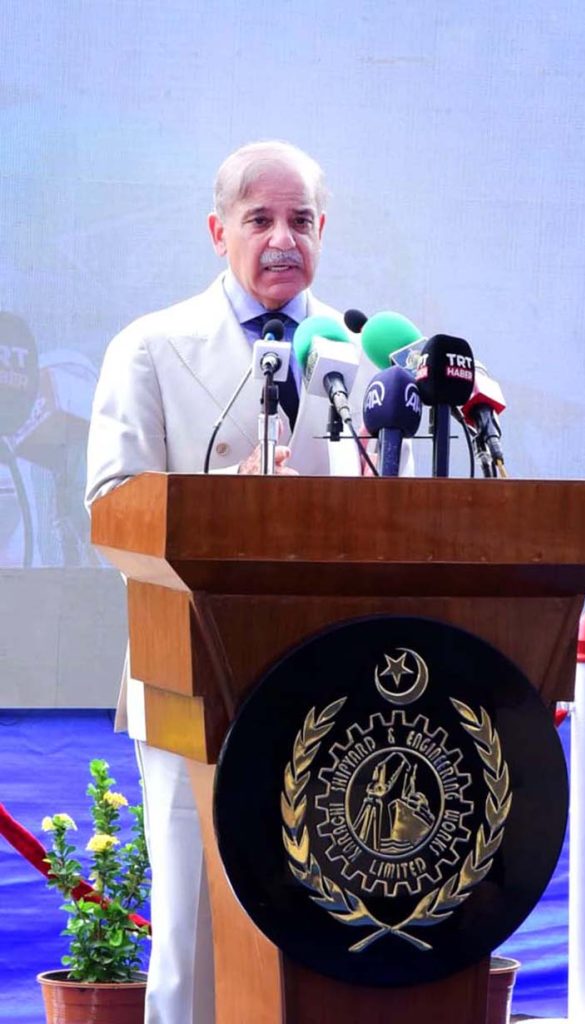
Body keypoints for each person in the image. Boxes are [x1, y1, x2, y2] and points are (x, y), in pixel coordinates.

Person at [85, 140, 372, 1024]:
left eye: (302, 221)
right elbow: (110, 509)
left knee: (328, 930)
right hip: (189, 680)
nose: (283, 239)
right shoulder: (152, 347)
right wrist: (229, 502)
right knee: (195, 931)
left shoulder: (362, 360)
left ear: (325, 231)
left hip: (336, 685)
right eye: (260, 220)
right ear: (219, 231)